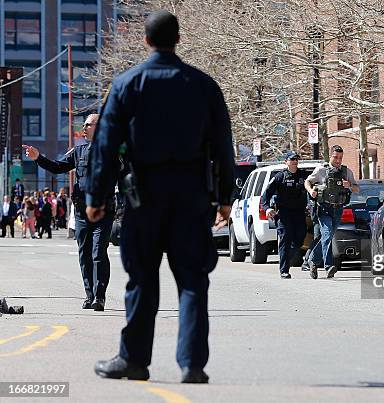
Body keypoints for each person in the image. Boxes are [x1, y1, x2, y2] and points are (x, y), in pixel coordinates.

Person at [85, 11, 234, 383]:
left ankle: (134, 359)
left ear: (146, 40)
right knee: (193, 280)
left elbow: (105, 145)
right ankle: (192, 365)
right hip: (191, 194)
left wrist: (97, 195)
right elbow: (223, 146)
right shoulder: (203, 85)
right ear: (178, 39)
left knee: (142, 278)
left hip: (144, 195)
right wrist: (224, 197)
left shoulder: (127, 84)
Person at [23, 113, 114, 312]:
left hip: (103, 210)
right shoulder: (79, 151)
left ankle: (100, 296)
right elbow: (58, 167)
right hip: (82, 211)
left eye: (87, 124)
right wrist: (38, 158)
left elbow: (125, 177)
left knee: (98, 252)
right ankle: (90, 295)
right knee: (85, 254)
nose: (83, 128)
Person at [304, 145, 359, 279]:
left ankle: (312, 260)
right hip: (323, 208)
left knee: (327, 237)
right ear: (330, 156)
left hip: (338, 209)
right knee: (327, 234)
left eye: (340, 158)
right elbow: (308, 181)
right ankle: (328, 266)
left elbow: (357, 188)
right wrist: (311, 191)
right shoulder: (321, 170)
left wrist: (350, 186)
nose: (338, 160)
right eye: (335, 157)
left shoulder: (347, 172)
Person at [261, 151, 309, 279]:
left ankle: (289, 255)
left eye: (296, 159)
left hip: (299, 212)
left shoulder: (304, 176)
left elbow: (313, 187)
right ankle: (284, 270)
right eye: (292, 159)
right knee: (285, 240)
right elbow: (266, 195)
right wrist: (267, 208)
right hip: (283, 214)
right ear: (286, 161)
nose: (294, 161)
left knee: (300, 237)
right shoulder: (279, 177)